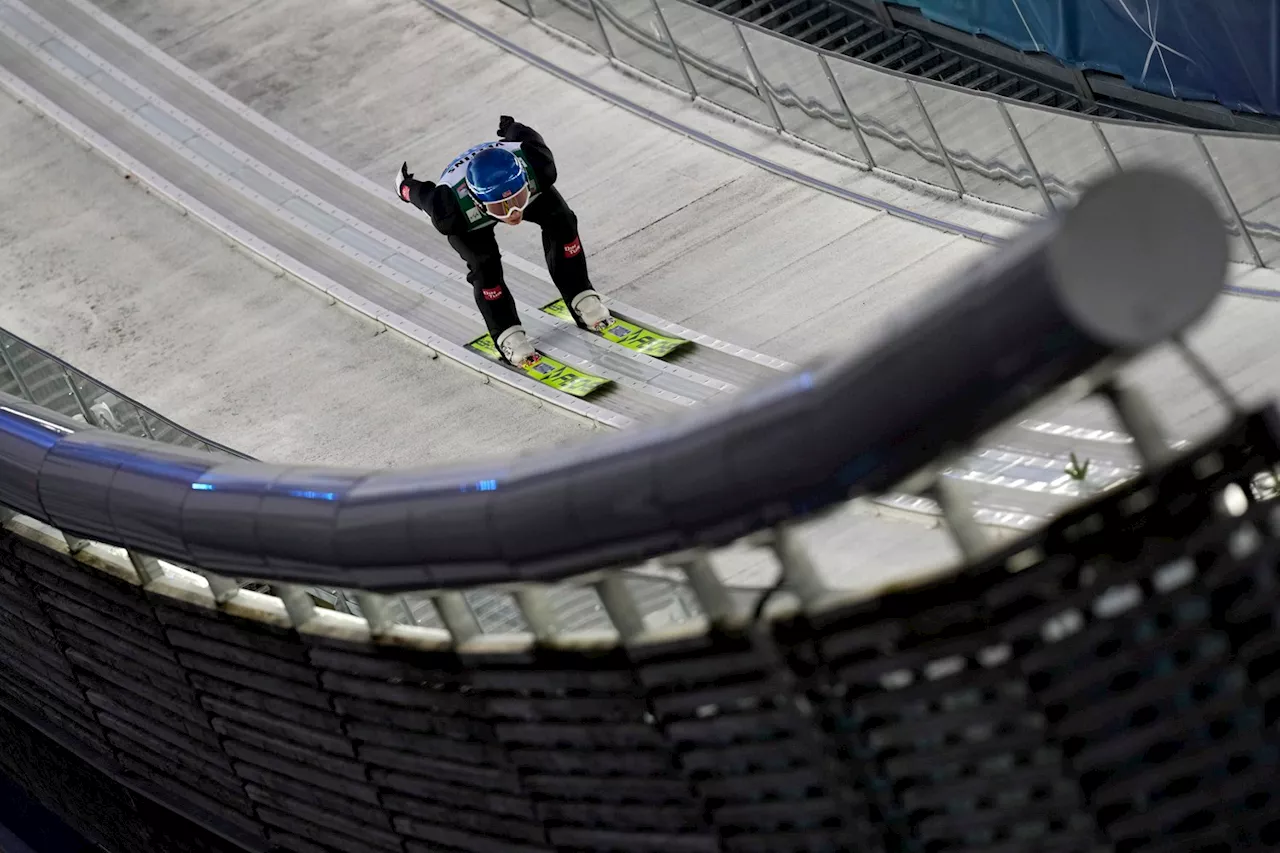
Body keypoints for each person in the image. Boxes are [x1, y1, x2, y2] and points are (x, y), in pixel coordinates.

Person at [396, 115, 611, 367]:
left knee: (563, 222)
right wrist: (404, 187)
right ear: (478, 200)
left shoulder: (538, 164)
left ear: (524, 180)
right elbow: (421, 194)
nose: (513, 214)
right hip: (471, 221)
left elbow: (525, 134)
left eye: (517, 200)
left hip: (510, 194)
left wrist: (511, 127)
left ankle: (580, 294)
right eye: (503, 207)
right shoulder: (449, 210)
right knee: (484, 266)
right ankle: (507, 333)